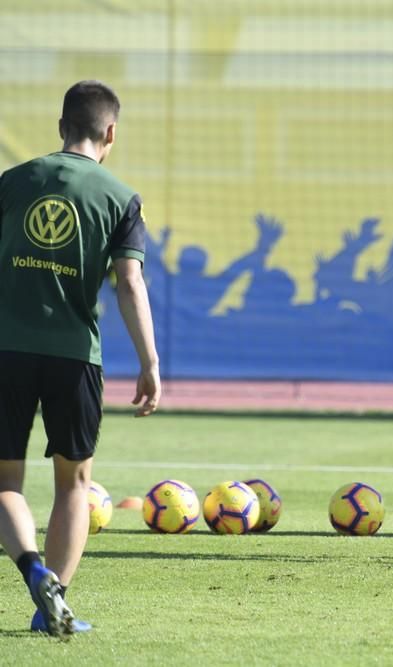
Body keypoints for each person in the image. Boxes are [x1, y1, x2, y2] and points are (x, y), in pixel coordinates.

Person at [0, 80, 161, 638]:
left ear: (60, 124)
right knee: (74, 485)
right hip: (75, 357)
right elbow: (130, 285)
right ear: (110, 132)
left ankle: (31, 568)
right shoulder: (121, 197)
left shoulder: (13, 183)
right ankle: (53, 605)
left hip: (6, 351)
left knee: (5, 482)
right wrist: (150, 362)